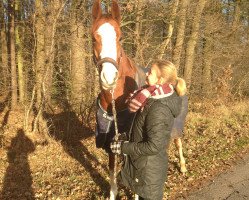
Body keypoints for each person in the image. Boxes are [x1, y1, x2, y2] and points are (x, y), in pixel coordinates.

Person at [110, 60, 187, 200]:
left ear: (161, 79)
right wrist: (125, 136)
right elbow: (142, 128)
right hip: (143, 167)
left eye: (151, 72)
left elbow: (154, 146)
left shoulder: (159, 108)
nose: (146, 73)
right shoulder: (149, 97)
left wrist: (123, 147)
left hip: (149, 172)